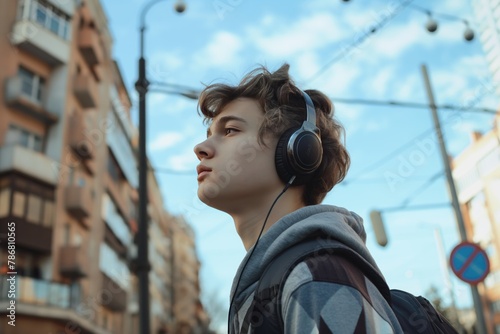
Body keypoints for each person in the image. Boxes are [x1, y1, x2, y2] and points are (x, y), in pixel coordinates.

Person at [193, 64, 403, 333]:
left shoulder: (316, 276)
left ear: (297, 150)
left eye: (231, 130)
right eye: (209, 135)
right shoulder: (277, 282)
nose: (201, 148)